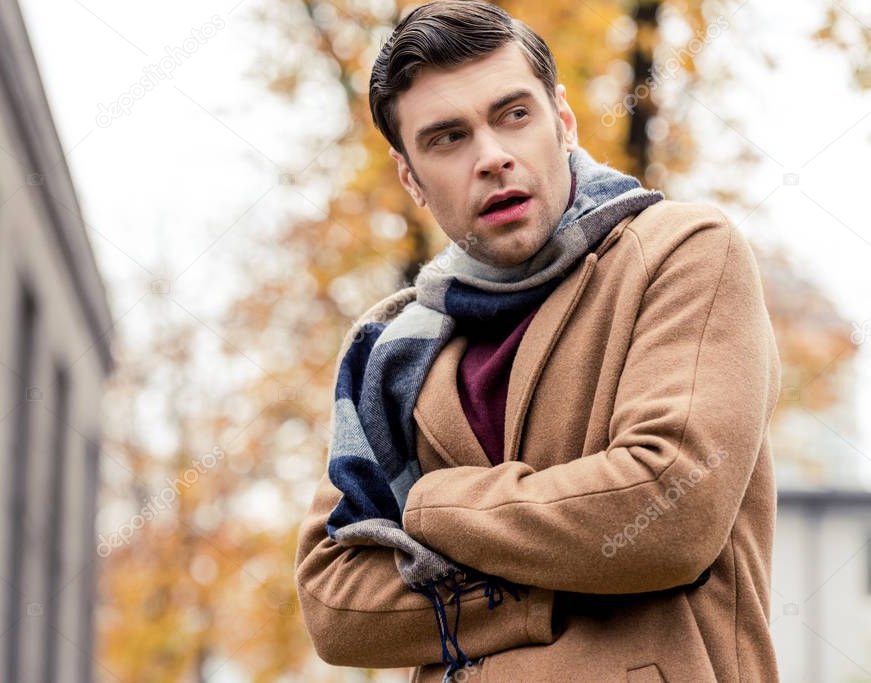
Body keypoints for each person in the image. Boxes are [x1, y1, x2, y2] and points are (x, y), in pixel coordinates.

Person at [294, 2, 782, 681]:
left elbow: (669, 506)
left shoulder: (682, 253)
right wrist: (539, 590)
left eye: (512, 115)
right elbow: (334, 601)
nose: (492, 157)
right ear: (411, 179)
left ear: (563, 121)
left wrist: (434, 506)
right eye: (446, 138)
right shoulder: (390, 349)